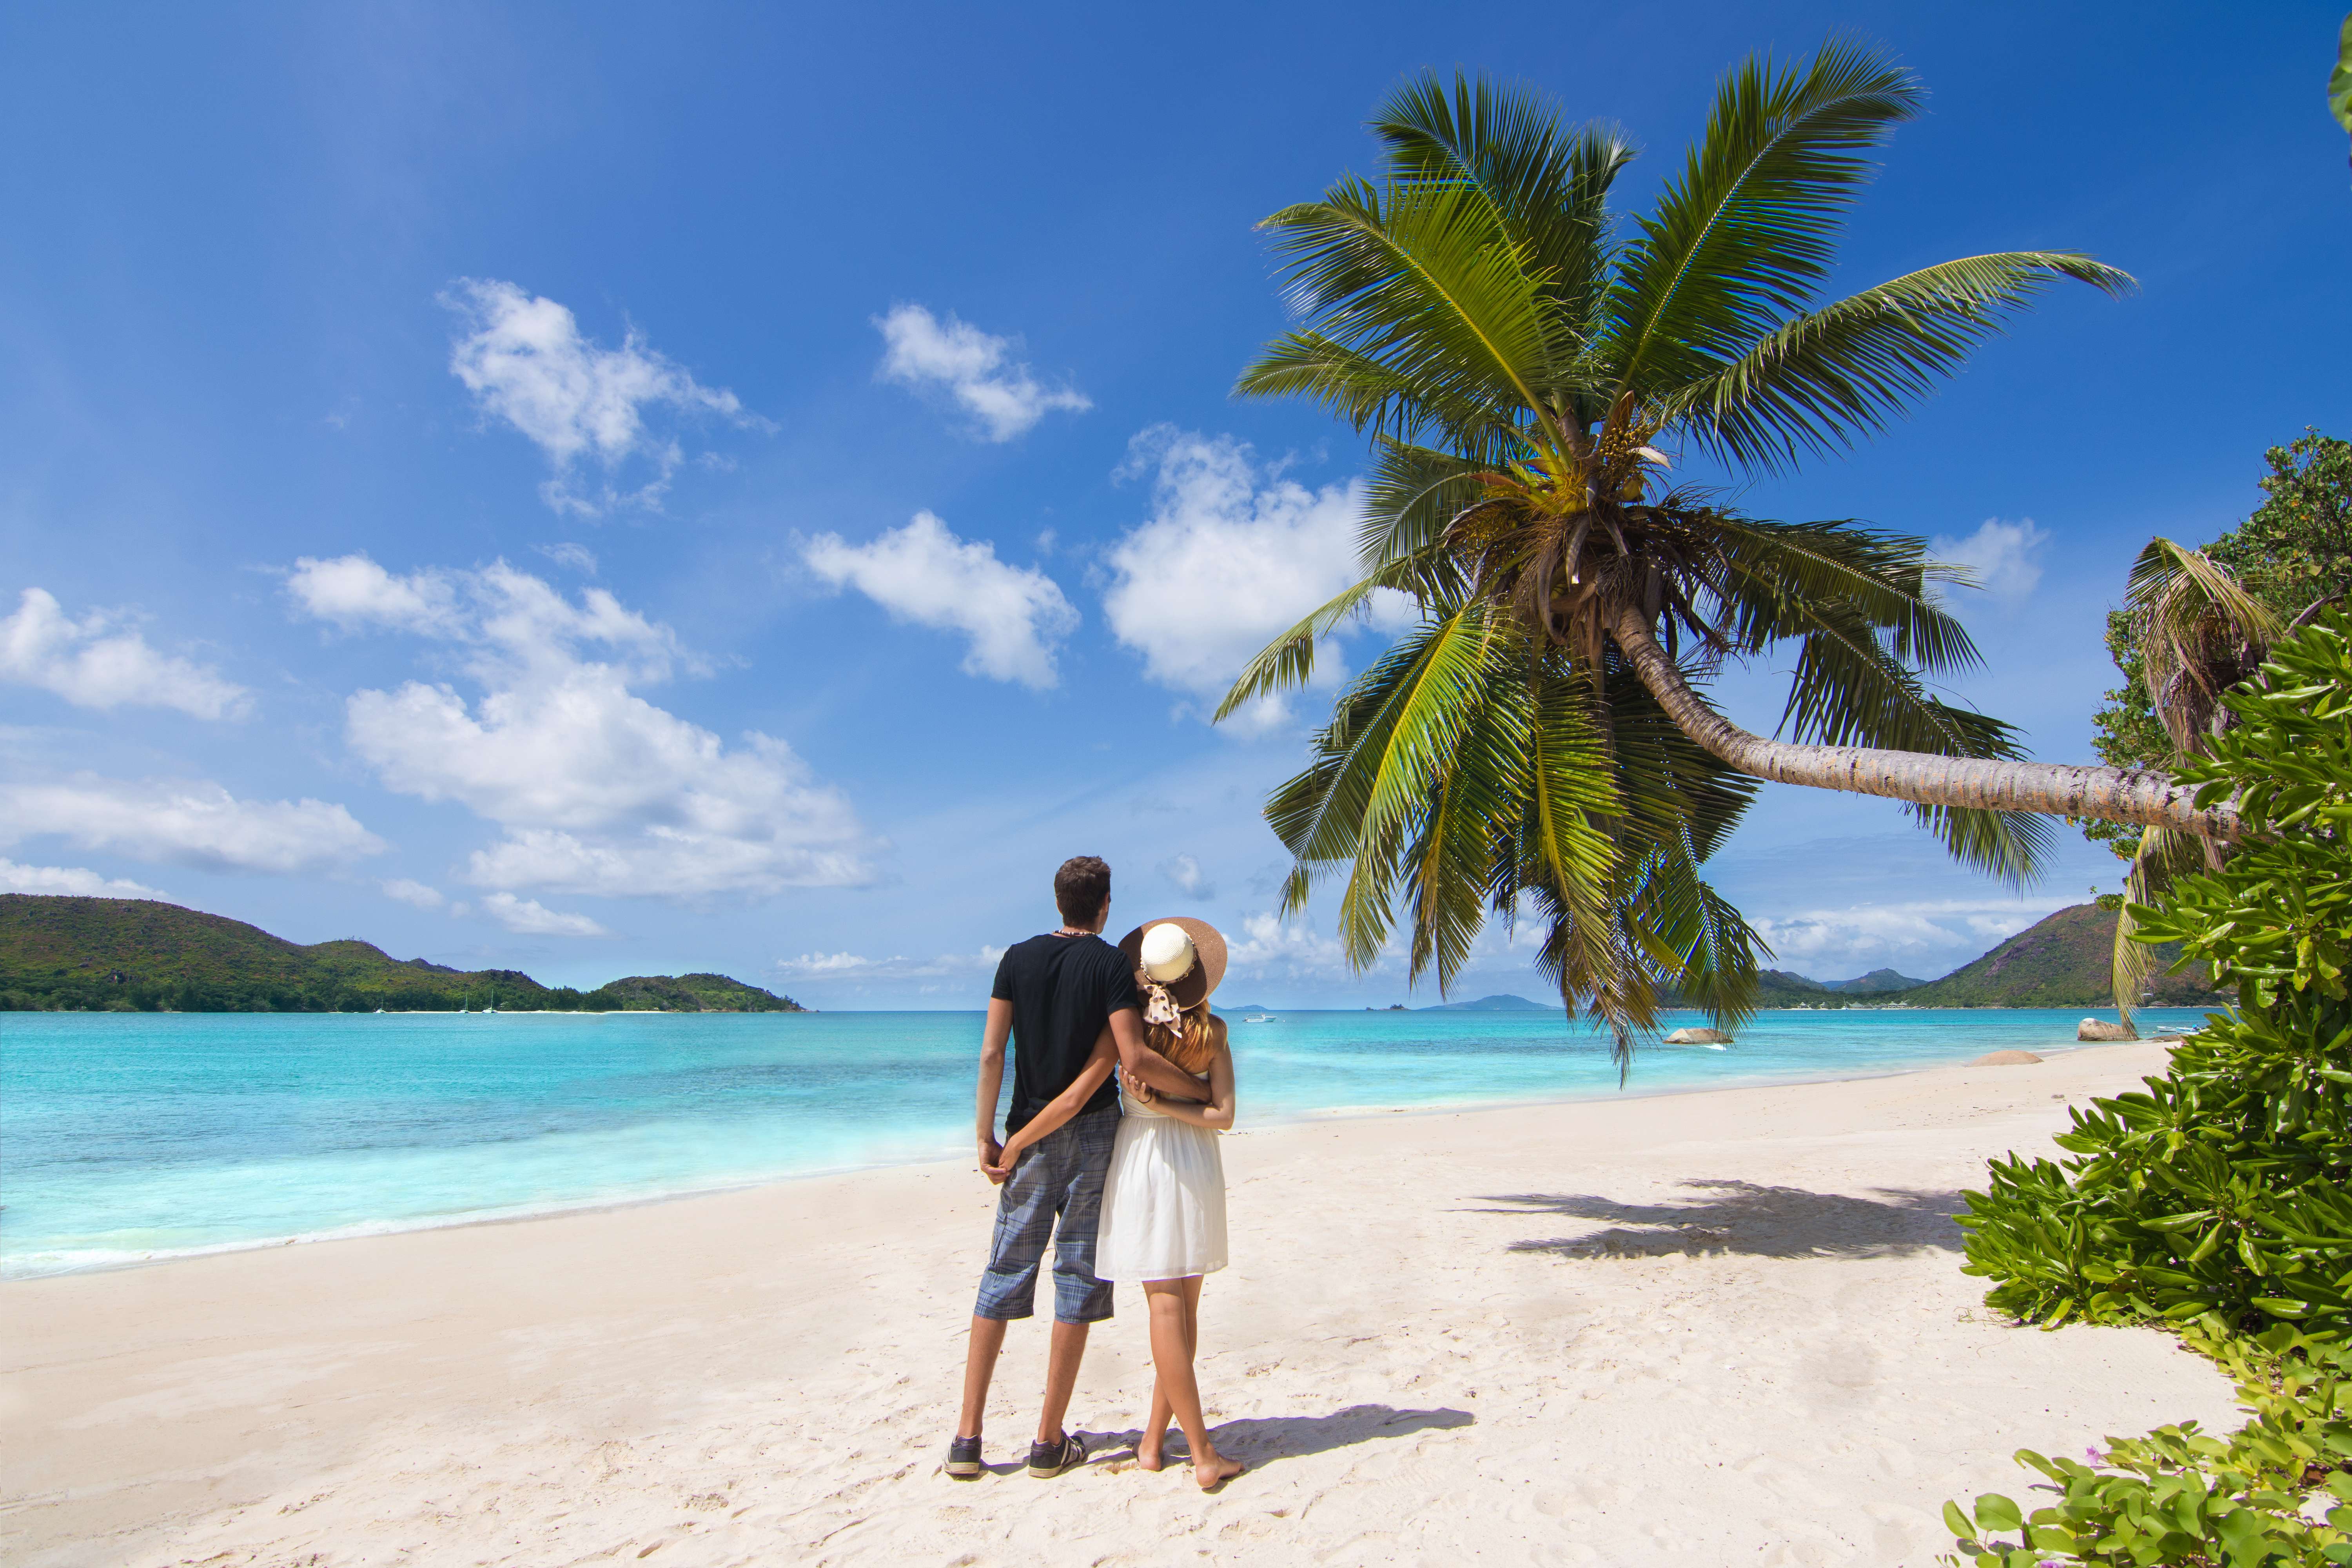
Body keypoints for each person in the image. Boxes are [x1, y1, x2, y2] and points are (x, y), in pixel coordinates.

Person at [948, 857, 1212, 1481]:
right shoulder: (1110, 967)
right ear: (1106, 904)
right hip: (1092, 1134)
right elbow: (1134, 1057)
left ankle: (967, 1438)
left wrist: (986, 1134)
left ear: (1058, 900)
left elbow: (991, 1052)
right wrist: (1202, 1090)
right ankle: (1046, 1441)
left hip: (1027, 1135)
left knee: (1004, 1271)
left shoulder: (1016, 958)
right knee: (1074, 1277)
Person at [1097, 917, 1244, 1492]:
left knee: (1165, 1312)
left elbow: (1093, 1079)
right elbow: (1224, 1117)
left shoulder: (1126, 1030)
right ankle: (1154, 1445)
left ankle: (1197, 1454)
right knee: (1184, 1311)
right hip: (1195, 1165)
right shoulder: (1217, 1034)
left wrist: (1155, 1106)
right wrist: (1190, 1103)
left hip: (1144, 1165)